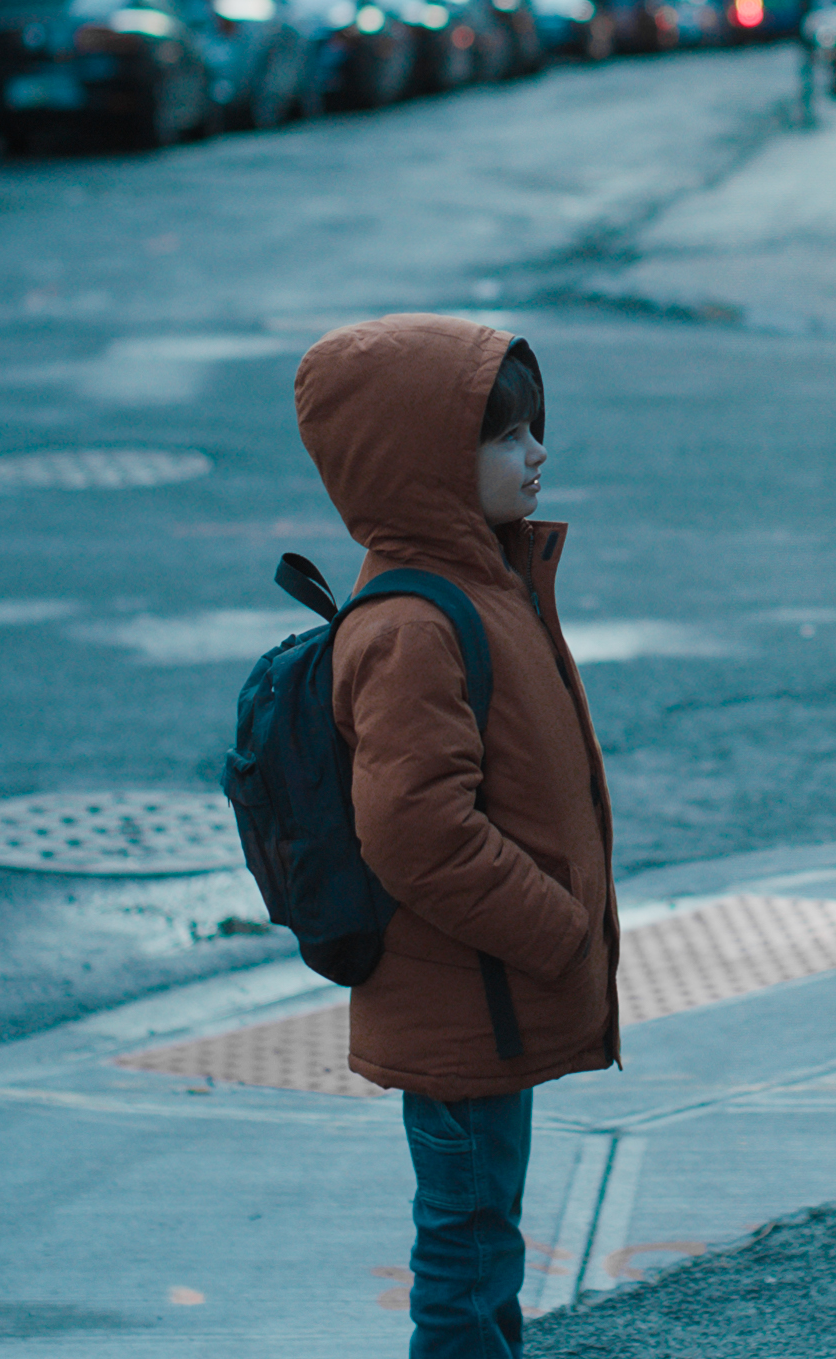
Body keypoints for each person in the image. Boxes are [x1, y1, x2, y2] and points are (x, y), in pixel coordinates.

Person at [293, 315, 619, 1359]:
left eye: (536, 428)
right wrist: (559, 932)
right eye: (506, 436)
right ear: (422, 462)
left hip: (487, 999)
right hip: (467, 998)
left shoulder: (486, 582)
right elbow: (418, 831)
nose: (536, 454)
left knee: (482, 1249)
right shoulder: (413, 627)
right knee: (467, 1262)